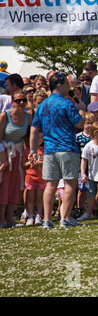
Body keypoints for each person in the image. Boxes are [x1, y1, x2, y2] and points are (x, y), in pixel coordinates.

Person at [29, 73, 85, 229]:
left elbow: (34, 129)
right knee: (70, 183)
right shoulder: (67, 104)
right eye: (67, 84)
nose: (69, 87)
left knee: (50, 184)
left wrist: (33, 150)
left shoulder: (42, 105)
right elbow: (79, 124)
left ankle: (47, 220)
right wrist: (82, 114)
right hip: (67, 148)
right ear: (60, 85)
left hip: (49, 150)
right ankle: (65, 218)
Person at [0, 90, 33, 228]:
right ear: (12, 102)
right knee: (3, 186)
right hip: (4, 153)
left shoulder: (28, 116)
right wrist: (3, 159)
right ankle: (1, 220)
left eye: (23, 101)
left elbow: (28, 137)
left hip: (18, 153)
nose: (21, 103)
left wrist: (29, 153)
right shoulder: (5, 116)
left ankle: (11, 218)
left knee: (15, 186)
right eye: (18, 100)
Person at [22, 131, 45, 226]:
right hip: (30, 178)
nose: (39, 140)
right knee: (30, 198)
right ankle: (30, 216)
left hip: (42, 178)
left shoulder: (44, 150)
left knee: (40, 198)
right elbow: (23, 164)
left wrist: (39, 163)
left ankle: (39, 216)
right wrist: (29, 163)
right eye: (36, 138)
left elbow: (47, 161)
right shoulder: (27, 151)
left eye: (41, 138)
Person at [75, 112, 95, 217]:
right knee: (82, 189)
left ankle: (92, 208)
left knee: (91, 189)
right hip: (81, 166)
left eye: (91, 123)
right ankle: (79, 207)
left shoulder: (94, 138)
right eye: (87, 123)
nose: (89, 126)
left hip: (93, 166)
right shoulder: (78, 137)